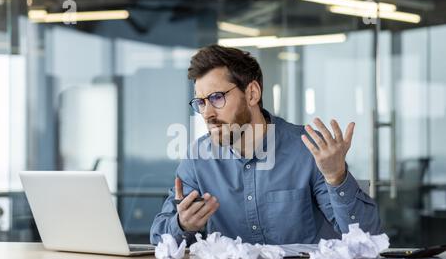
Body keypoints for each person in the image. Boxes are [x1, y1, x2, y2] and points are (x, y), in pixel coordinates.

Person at [150, 44, 380, 245]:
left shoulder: (308, 151)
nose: (207, 113)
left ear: (252, 93)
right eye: (200, 102)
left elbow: (367, 236)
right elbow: (159, 238)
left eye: (216, 98)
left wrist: (336, 176)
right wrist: (182, 225)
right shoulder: (197, 159)